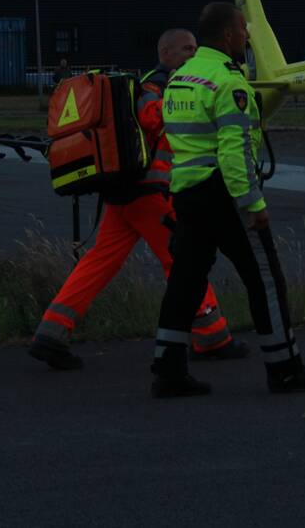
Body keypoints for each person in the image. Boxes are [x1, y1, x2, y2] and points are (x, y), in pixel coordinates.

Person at [29, 29, 248, 370]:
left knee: (100, 262)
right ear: (167, 52)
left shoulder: (154, 81)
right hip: (152, 195)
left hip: (125, 195)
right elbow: (150, 117)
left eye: (195, 48)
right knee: (183, 260)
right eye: (187, 48)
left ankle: (50, 333)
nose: (193, 54)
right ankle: (212, 336)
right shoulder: (158, 83)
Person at [150, 2, 305, 398]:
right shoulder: (228, 82)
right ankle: (284, 368)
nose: (247, 38)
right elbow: (233, 154)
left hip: (187, 193)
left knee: (186, 280)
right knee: (265, 279)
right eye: (243, 32)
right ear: (229, 35)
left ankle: (168, 369)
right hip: (223, 194)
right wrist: (253, 204)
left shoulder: (182, 77)